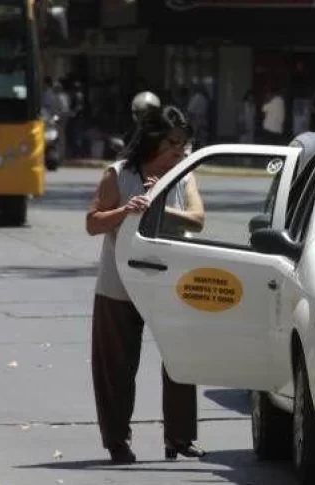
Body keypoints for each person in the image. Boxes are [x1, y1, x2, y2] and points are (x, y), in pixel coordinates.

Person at [86, 105, 206, 464]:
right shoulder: (119, 174)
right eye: (173, 143)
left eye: (184, 144)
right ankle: (117, 441)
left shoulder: (184, 176)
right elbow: (93, 223)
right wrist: (126, 210)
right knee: (116, 367)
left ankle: (180, 438)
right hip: (120, 284)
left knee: (179, 361)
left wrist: (158, 206)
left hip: (171, 282)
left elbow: (197, 221)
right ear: (152, 139)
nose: (179, 152)